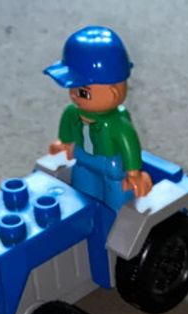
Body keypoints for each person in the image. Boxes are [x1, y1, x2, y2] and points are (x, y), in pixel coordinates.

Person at [45, 26, 152, 209]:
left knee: (117, 206)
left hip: (111, 168)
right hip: (82, 160)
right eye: (72, 89)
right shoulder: (74, 112)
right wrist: (65, 142)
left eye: (82, 92)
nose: (75, 96)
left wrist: (133, 173)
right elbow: (67, 125)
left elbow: (129, 145)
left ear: (113, 93)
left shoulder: (118, 124)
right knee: (82, 197)